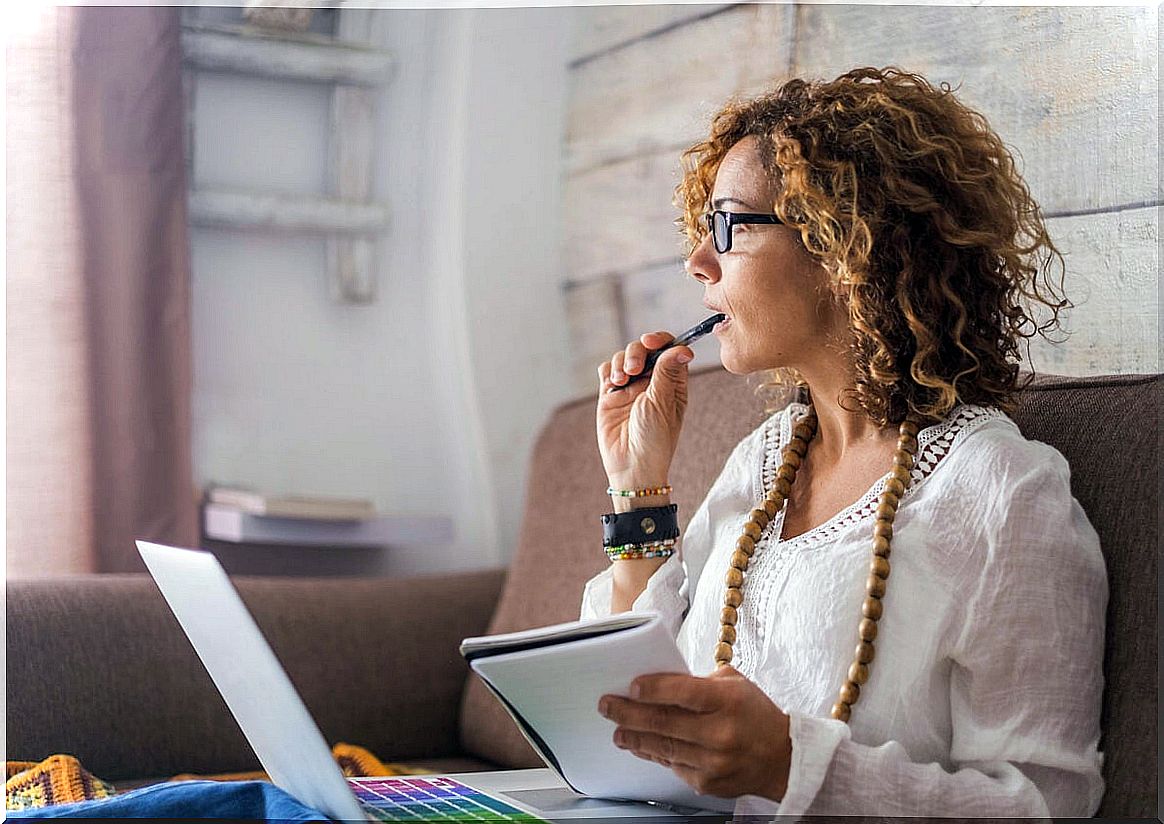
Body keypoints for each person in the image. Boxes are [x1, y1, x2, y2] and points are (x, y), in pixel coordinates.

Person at [583, 66, 1106, 819]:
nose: (697, 261)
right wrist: (638, 483)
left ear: (842, 245)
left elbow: (1048, 806)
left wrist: (790, 764)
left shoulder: (1002, 495)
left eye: (728, 225)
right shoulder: (764, 459)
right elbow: (640, 707)